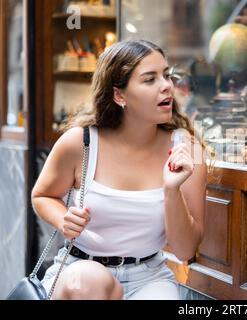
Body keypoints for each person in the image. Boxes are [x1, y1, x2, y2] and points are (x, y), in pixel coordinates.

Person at [31, 40, 207, 300]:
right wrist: (63, 220)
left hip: (148, 277)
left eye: (167, 76)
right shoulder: (81, 142)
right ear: (119, 95)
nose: (166, 86)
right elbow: (42, 195)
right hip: (78, 270)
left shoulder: (186, 149)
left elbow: (185, 250)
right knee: (89, 282)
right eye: (150, 80)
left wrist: (172, 189)